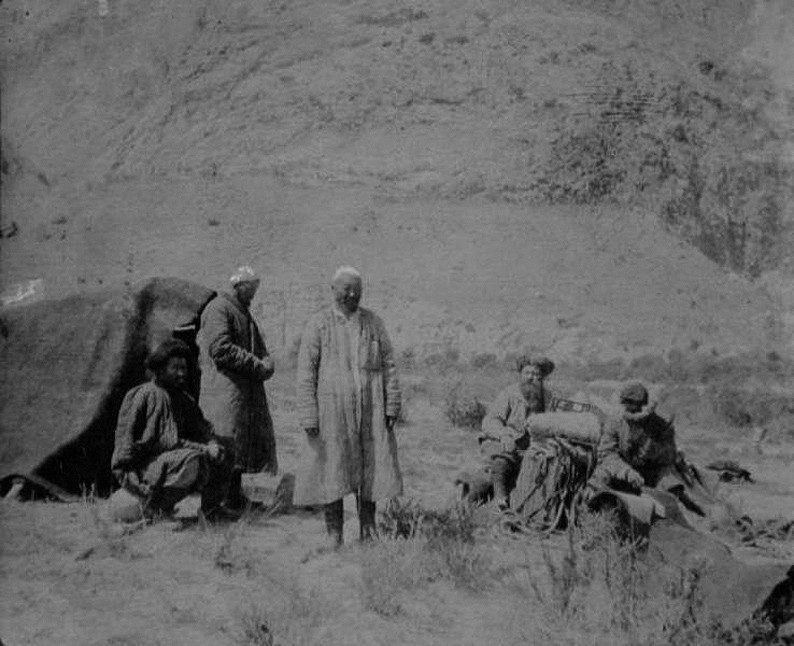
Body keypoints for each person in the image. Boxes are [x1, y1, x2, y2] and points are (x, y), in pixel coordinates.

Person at [295, 266, 402, 547]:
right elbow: (306, 373)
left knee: (371, 468)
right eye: (346, 288)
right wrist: (308, 414)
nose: (352, 294)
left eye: (357, 289)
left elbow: (389, 366)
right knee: (334, 468)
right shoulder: (318, 324)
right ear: (333, 290)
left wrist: (392, 405)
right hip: (332, 411)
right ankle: (335, 534)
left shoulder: (374, 323)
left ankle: (368, 529)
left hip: (371, 409)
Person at [110, 339, 234, 519]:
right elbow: (167, 442)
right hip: (143, 465)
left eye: (184, 368)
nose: (181, 373)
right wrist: (205, 449)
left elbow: (202, 428)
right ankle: (160, 510)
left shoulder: (182, 398)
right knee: (191, 460)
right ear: (160, 369)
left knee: (226, 448)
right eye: (175, 368)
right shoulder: (149, 394)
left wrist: (212, 442)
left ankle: (211, 508)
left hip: (170, 457)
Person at [197, 266, 278, 507]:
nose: (253, 295)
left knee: (240, 448)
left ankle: (233, 498)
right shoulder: (218, 308)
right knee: (224, 444)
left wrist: (268, 361)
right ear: (238, 286)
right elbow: (220, 349)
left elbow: (261, 348)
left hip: (243, 392)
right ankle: (212, 507)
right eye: (250, 289)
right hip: (224, 392)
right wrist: (258, 365)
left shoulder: (244, 312)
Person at [478, 355, 556, 509]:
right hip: (504, 442)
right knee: (502, 462)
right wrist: (503, 435)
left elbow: (556, 422)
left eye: (536, 375)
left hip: (534, 446)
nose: (531, 378)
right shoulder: (509, 394)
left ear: (542, 378)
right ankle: (501, 500)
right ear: (521, 374)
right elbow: (490, 421)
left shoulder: (549, 397)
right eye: (528, 373)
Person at [589, 382, 677, 493]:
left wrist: (654, 451)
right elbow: (606, 454)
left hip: (651, 474)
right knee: (600, 477)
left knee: (670, 482)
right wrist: (626, 472)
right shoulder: (615, 423)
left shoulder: (659, 425)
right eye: (630, 407)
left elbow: (671, 454)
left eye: (638, 408)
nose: (634, 412)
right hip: (622, 472)